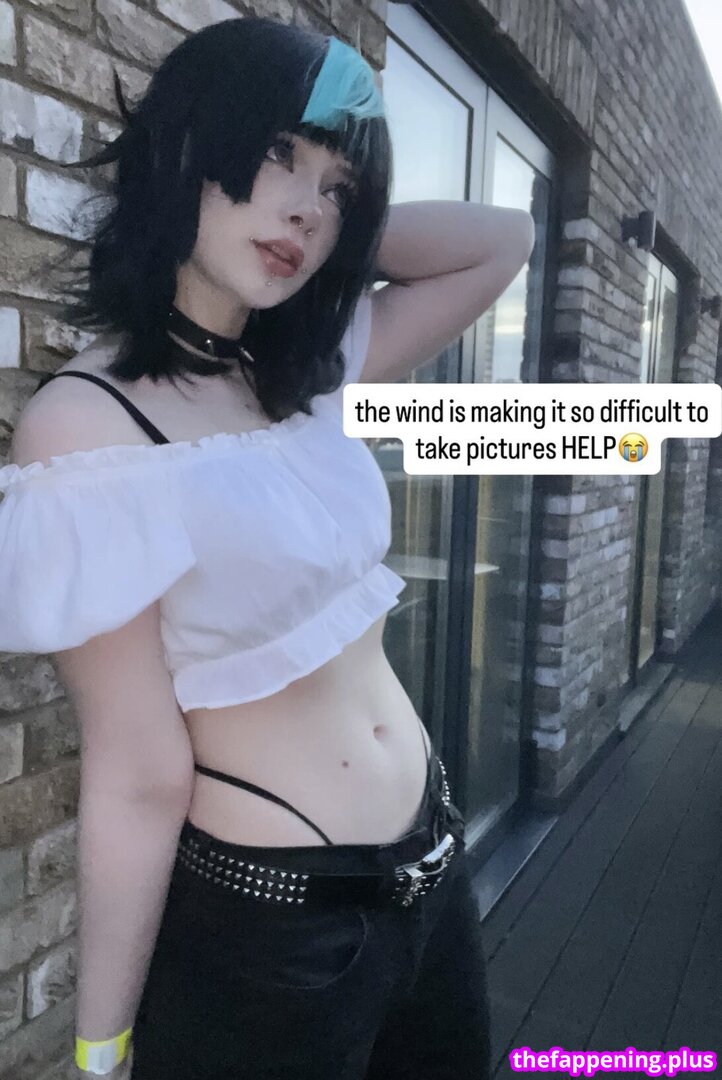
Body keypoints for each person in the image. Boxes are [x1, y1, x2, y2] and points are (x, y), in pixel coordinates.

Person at [0, 15, 534, 1079]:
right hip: (277, 936)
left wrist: (337, 235)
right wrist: (100, 1046)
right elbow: (138, 768)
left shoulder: (305, 369)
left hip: (432, 877)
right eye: (278, 154)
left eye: (337, 188)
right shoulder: (88, 431)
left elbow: (502, 239)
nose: (305, 207)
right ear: (186, 146)